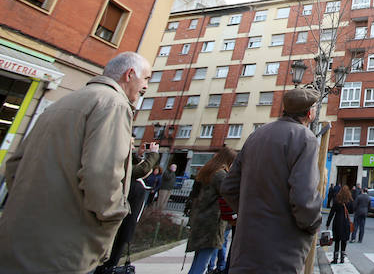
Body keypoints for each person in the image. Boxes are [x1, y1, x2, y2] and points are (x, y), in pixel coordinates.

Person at [0, 52, 151, 273]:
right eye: (146, 78)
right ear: (129, 74)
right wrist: (115, 216)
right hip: (63, 246)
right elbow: (101, 175)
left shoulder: (61, 103)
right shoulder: (114, 104)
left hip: (17, 238)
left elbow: (15, 165)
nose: (146, 86)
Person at [221, 87, 322, 274]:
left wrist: (250, 215)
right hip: (281, 251)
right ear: (310, 113)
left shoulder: (257, 135)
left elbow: (229, 187)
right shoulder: (305, 138)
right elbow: (303, 197)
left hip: (245, 247)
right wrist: (313, 225)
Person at [94, 142, 161, 274]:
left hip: (124, 220)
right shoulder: (116, 163)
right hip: (120, 220)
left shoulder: (121, 163)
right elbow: (140, 171)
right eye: (130, 144)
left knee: (114, 251)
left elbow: (133, 168)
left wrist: (138, 155)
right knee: (111, 254)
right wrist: (153, 154)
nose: (133, 147)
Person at [186, 146, 237, 274]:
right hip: (211, 224)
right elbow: (230, 193)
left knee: (198, 260)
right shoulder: (220, 175)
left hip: (201, 220)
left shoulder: (208, 171)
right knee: (201, 263)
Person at [326, 185, 353, 264]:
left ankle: (335, 258)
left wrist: (328, 223)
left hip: (337, 221)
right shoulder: (349, 201)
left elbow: (332, 213)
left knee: (337, 241)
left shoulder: (337, 200)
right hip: (346, 222)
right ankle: (342, 258)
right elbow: (351, 210)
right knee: (344, 241)